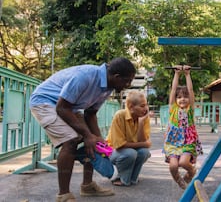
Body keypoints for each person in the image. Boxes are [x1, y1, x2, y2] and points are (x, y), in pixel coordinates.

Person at [29, 57, 136, 202]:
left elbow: (90, 113)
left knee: (92, 142)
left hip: (69, 106)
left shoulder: (108, 87)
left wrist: (98, 140)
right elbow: (61, 108)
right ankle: (64, 195)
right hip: (45, 102)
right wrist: (87, 134)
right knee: (71, 141)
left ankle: (87, 186)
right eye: (127, 81)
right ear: (116, 77)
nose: (128, 85)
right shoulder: (85, 76)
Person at [163, 65, 203, 190]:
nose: (183, 99)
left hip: (188, 140)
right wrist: (176, 74)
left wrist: (187, 74)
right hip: (173, 141)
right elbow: (173, 89)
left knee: (183, 163)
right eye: (179, 97)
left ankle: (191, 172)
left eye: (185, 97)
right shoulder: (173, 108)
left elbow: (190, 91)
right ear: (175, 99)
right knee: (173, 166)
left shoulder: (189, 109)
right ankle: (179, 180)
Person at [106, 90, 151, 186]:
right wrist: (143, 144)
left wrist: (141, 123)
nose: (146, 109)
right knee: (131, 153)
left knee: (144, 152)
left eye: (146, 105)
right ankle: (121, 178)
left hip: (128, 151)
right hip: (112, 154)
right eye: (142, 106)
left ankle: (132, 179)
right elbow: (119, 146)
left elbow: (142, 141)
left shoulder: (143, 117)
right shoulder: (120, 116)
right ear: (131, 107)